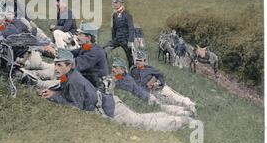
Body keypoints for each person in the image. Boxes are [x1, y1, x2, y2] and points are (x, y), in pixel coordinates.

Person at [41, 49, 193, 131]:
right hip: (109, 102)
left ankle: (181, 120)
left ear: (69, 66)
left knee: (143, 124)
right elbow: (66, 91)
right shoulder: (69, 76)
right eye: (55, 64)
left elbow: (78, 105)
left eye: (60, 65)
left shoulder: (73, 79)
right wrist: (55, 92)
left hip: (110, 108)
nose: (56, 68)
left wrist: (55, 96)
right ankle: (172, 115)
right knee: (141, 118)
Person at [111, 58, 195, 117]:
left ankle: (187, 109)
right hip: (147, 94)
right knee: (163, 106)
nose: (113, 69)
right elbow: (120, 79)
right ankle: (185, 112)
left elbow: (160, 76)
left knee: (167, 103)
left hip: (152, 93)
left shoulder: (128, 78)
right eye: (112, 67)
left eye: (115, 67)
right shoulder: (129, 73)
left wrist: (156, 83)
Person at [129, 50, 197, 115]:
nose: (138, 62)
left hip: (159, 88)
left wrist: (157, 83)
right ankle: (182, 112)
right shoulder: (133, 70)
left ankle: (189, 104)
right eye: (137, 61)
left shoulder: (149, 68)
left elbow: (160, 77)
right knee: (162, 104)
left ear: (144, 61)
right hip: (148, 92)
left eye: (140, 61)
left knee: (174, 97)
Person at [71, 22, 110, 90]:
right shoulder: (88, 47)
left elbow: (77, 64)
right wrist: (58, 52)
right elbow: (73, 53)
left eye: (80, 35)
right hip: (90, 77)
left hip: (96, 83)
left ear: (88, 38)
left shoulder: (95, 51)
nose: (77, 37)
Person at [104, 0, 135, 67]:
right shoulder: (114, 15)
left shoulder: (127, 15)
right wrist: (113, 39)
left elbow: (131, 28)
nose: (113, 4)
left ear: (122, 3)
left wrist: (130, 41)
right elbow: (114, 28)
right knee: (104, 49)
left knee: (130, 58)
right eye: (113, 2)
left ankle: (132, 70)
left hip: (126, 40)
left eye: (115, 2)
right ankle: (105, 65)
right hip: (117, 39)